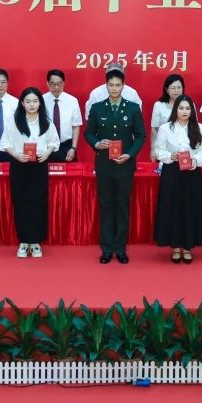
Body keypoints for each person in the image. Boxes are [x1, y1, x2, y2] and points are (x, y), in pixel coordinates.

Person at [83, 68, 146, 264]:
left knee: (122, 205)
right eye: (111, 85)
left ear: (123, 86)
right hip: (104, 165)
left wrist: (130, 154)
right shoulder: (97, 108)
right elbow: (88, 133)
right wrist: (96, 143)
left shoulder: (133, 108)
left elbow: (141, 135)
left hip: (125, 165)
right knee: (106, 205)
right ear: (106, 86)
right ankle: (106, 249)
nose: (114, 88)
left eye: (118, 85)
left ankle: (120, 249)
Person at [153, 96, 202, 263]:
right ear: (175, 110)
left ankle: (187, 247)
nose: (184, 111)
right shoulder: (165, 128)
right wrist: (169, 156)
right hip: (172, 173)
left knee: (190, 208)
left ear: (192, 111)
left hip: (192, 173)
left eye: (188, 108)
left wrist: (195, 161)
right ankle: (175, 247)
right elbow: (159, 150)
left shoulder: (199, 127)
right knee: (173, 208)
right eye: (181, 108)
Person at [2, 87, 59, 257]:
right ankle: (23, 241)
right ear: (22, 103)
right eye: (28, 101)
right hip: (20, 165)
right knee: (21, 202)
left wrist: (47, 153)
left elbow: (54, 142)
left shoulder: (46, 123)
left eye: (35, 101)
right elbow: (5, 143)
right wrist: (16, 155)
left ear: (40, 103)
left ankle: (35, 242)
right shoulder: (14, 122)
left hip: (39, 165)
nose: (32, 105)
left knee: (38, 203)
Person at [43, 70, 83, 162]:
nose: (56, 87)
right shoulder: (41, 100)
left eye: (59, 84)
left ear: (64, 83)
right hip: (46, 146)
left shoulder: (72, 101)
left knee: (69, 171)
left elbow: (75, 126)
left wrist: (73, 148)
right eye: (52, 84)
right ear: (47, 84)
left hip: (67, 146)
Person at [149, 74, 185, 162]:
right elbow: (154, 129)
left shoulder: (189, 105)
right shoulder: (159, 105)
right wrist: (153, 149)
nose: (176, 91)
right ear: (166, 89)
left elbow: (194, 127)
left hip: (184, 150)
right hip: (164, 151)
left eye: (179, 87)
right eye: (173, 88)